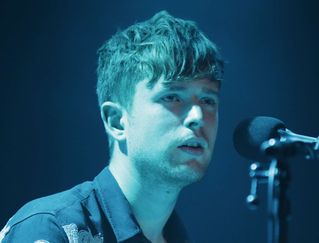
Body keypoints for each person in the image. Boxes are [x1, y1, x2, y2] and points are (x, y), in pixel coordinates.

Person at [0, 10, 224, 243]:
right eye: (172, 97)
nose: (197, 116)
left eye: (208, 100)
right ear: (116, 121)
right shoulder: (51, 228)